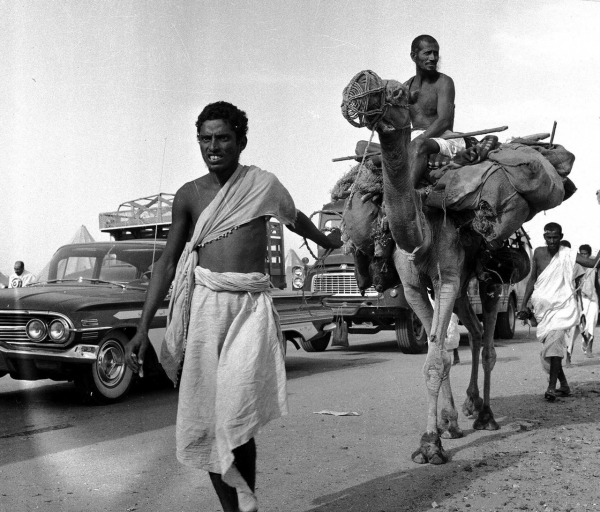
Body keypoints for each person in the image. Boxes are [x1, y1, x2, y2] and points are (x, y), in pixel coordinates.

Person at [124, 101, 341, 512]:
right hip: (206, 309)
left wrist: (329, 241)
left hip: (249, 309)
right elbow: (167, 262)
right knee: (207, 418)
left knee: (236, 413)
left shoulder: (264, 185)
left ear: (241, 141)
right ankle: (236, 508)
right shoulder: (189, 195)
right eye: (205, 138)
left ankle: (246, 498)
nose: (213, 146)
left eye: (222, 137)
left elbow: (296, 219)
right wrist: (141, 328)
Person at [519, 223, 600, 401]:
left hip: (561, 310)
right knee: (551, 349)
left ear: (561, 236)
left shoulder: (567, 254)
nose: (552, 241)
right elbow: (532, 279)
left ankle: (551, 388)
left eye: (556, 237)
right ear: (544, 237)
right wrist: (523, 305)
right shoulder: (538, 253)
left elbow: (593, 263)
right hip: (542, 311)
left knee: (554, 347)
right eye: (549, 237)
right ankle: (564, 385)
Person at [404, 34, 466, 188]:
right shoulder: (405, 87)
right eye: (427, 53)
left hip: (443, 138)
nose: (433, 58)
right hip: (416, 137)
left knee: (418, 146)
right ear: (413, 56)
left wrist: (415, 142)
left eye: (436, 53)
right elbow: (400, 124)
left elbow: (444, 121)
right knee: (362, 147)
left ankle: (406, 196)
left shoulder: (444, 82)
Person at [573, 244, 598, 358]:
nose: (583, 256)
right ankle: (585, 342)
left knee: (592, 322)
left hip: (593, 297)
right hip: (582, 298)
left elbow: (597, 284)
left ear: (589, 254)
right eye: (581, 254)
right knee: (582, 324)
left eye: (585, 254)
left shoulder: (594, 265)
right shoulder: (577, 265)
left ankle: (590, 348)